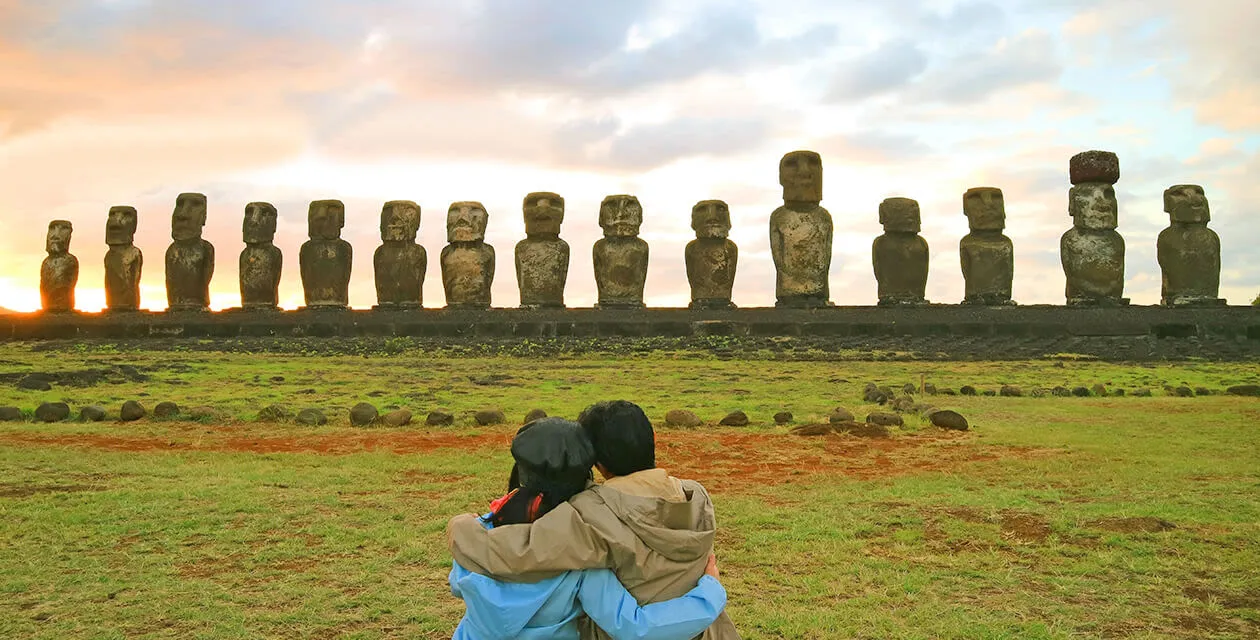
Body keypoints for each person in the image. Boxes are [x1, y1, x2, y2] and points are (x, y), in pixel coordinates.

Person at [448, 402, 741, 640]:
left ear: (597, 463)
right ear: (652, 440)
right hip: (704, 630)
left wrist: (462, 529)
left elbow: (520, 550)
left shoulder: (592, 514)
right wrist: (710, 590)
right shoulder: (696, 494)